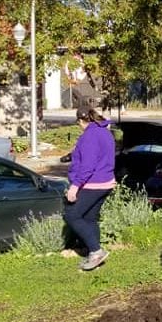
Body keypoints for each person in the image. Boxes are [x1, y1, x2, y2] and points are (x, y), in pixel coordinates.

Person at [64, 107, 116, 271]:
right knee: (89, 218)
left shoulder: (89, 136)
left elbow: (87, 165)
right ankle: (95, 256)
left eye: (78, 122)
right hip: (106, 182)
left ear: (81, 120)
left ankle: (96, 251)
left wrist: (75, 186)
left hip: (92, 183)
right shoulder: (105, 132)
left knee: (72, 215)